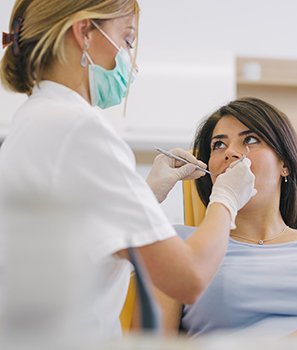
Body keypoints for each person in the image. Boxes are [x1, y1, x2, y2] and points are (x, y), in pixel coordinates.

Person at [0, 0, 256, 340]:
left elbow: (82, 233)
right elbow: (190, 278)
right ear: (85, 33)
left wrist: (148, 192)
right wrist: (226, 199)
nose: (131, 62)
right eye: (128, 39)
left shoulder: (33, 121)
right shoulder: (80, 130)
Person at [155, 97, 297, 345]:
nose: (231, 153)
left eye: (250, 140)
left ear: (285, 164)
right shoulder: (175, 243)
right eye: (218, 145)